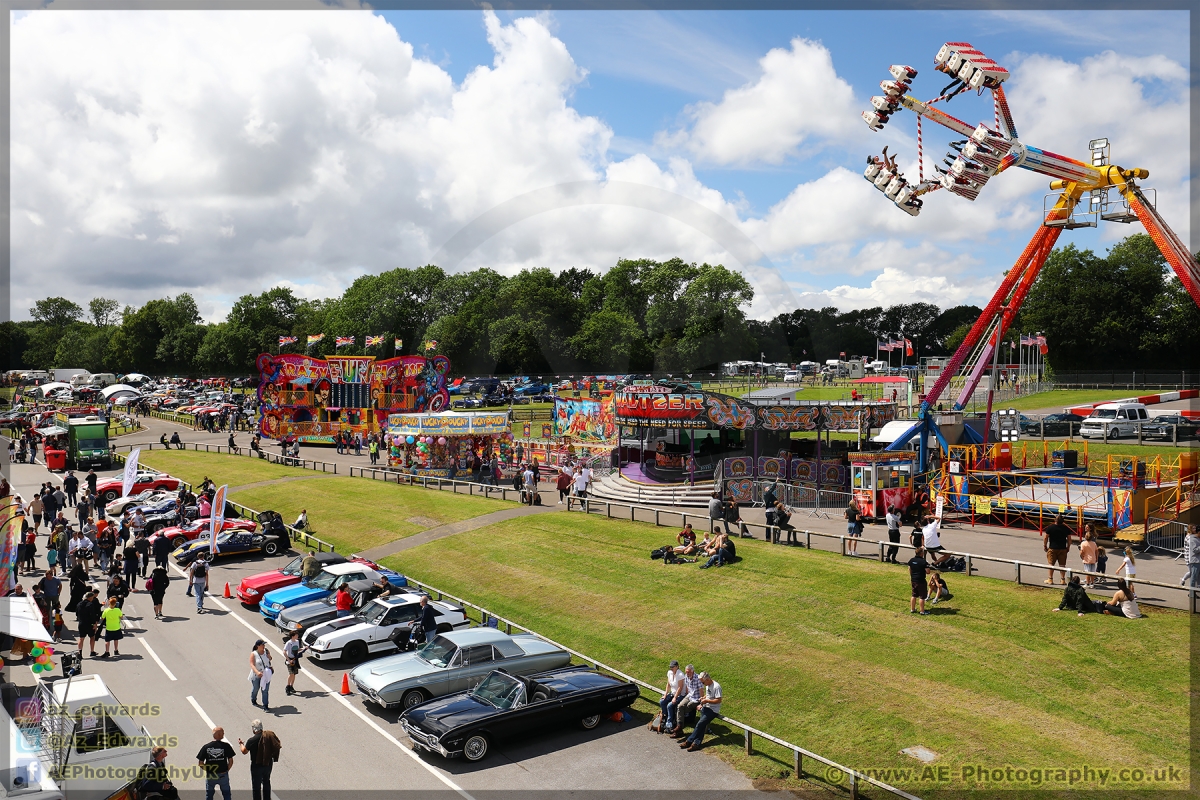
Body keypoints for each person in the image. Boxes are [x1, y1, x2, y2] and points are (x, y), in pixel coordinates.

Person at [238, 720, 280, 800]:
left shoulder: (252, 740)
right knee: (266, 781)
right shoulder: (268, 736)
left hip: (256, 766)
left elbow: (244, 751)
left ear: (254, 729)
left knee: (256, 786)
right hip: (268, 763)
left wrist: (241, 744)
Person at [680, 672, 722, 752]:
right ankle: (696, 744)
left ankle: (689, 741)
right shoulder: (708, 685)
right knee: (702, 725)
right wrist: (703, 698)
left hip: (713, 710)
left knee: (700, 724)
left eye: (703, 682)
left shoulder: (716, 687)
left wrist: (707, 701)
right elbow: (709, 695)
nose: (702, 684)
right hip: (706, 707)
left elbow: (719, 700)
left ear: (707, 679)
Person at [196, 727, 236, 800]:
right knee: (226, 794)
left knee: (209, 795)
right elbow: (231, 761)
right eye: (223, 733)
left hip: (211, 775)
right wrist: (226, 769)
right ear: (219, 734)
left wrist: (208, 770)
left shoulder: (206, 747)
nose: (224, 734)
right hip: (223, 774)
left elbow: (200, 763)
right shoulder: (226, 746)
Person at [655, 660, 685, 734]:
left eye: (672, 667)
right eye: (670, 667)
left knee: (670, 705)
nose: (671, 668)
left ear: (677, 667)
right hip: (672, 693)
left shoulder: (680, 674)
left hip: (680, 695)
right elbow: (668, 684)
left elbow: (680, 688)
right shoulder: (669, 673)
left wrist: (675, 697)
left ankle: (670, 723)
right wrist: (665, 695)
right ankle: (666, 716)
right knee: (662, 701)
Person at [1042, 514, 1073, 585]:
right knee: (1062, 565)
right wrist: (1068, 547)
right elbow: (1069, 539)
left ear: (1055, 520)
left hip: (1052, 548)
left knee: (1051, 564)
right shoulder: (1066, 528)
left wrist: (1045, 545)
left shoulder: (1050, 528)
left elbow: (1046, 537)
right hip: (1062, 548)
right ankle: (1062, 580)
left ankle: (1050, 579)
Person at [75, 589, 102, 657]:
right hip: (89, 624)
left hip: (81, 623)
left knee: (81, 638)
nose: (93, 599)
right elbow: (92, 615)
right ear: (89, 597)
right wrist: (94, 624)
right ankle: (92, 651)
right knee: (92, 637)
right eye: (92, 597)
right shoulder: (90, 605)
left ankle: (79, 653)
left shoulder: (79, 604)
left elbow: (77, 613)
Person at [908, 547, 933, 615]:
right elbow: (928, 572)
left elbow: (910, 569)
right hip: (921, 581)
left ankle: (912, 609)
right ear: (921, 553)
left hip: (913, 580)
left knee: (914, 595)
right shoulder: (923, 561)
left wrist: (912, 576)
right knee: (922, 596)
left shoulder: (911, 560)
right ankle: (922, 611)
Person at [249, 640, 273, 710]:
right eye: (262, 645)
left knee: (265, 690)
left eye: (264, 645)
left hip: (266, 675)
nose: (264, 646)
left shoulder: (266, 651)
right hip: (257, 675)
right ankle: (253, 699)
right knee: (256, 688)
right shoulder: (254, 654)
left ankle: (265, 705)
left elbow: (270, 659)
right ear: (258, 646)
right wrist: (257, 672)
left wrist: (269, 657)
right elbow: (252, 664)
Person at [283, 630, 306, 696]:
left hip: (295, 660)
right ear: (293, 636)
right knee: (291, 673)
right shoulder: (288, 643)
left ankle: (291, 686)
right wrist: (288, 660)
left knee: (294, 674)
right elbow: (284, 651)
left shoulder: (297, 641)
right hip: (290, 660)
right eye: (296, 635)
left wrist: (303, 648)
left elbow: (297, 649)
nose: (297, 636)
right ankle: (288, 687)